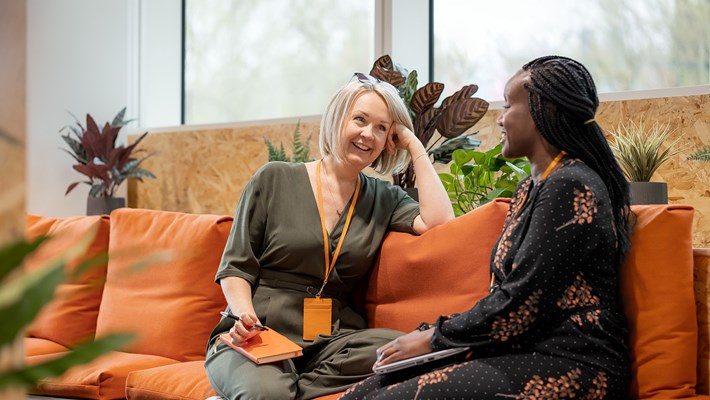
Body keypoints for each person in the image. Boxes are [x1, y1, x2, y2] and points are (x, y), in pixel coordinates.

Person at [340, 56, 633, 399]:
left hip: (574, 360)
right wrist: (436, 339)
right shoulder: (531, 188)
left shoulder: (572, 185)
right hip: (521, 349)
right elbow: (506, 298)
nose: (501, 117)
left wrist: (433, 336)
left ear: (543, 111)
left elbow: (523, 302)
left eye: (509, 105)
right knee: (361, 393)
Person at [204, 73, 455, 400]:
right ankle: (270, 386)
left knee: (409, 351)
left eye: (382, 128)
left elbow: (440, 222)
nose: (368, 134)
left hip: (332, 343)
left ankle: (289, 386)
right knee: (267, 394)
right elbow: (236, 266)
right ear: (337, 119)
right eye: (360, 120)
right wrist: (242, 315)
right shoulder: (275, 178)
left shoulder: (385, 198)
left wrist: (413, 144)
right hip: (258, 333)